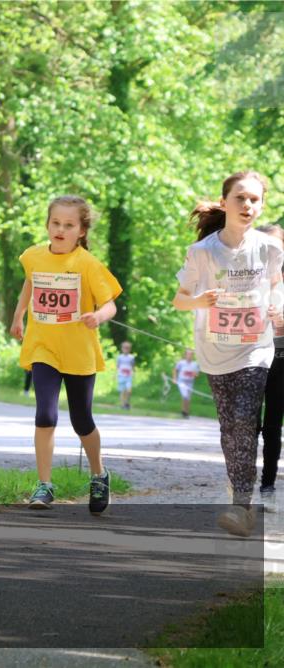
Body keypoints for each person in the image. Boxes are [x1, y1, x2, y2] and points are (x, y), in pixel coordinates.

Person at [173, 172, 283, 537]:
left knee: (242, 417)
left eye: (254, 199)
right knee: (229, 427)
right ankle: (241, 493)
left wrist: (277, 309)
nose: (248, 205)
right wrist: (199, 301)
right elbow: (179, 299)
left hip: (255, 349)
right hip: (215, 349)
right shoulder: (202, 252)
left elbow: (277, 286)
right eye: (240, 198)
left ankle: (241, 505)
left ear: (262, 205)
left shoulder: (270, 248)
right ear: (225, 203)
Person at [10, 195, 121, 514]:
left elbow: (110, 303)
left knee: (81, 419)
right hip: (43, 347)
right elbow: (29, 284)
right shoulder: (32, 256)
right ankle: (44, 485)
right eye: (55, 223)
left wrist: (98, 317)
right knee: (45, 414)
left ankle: (99, 474)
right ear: (47, 224)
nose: (60, 229)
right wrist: (18, 315)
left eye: (69, 225)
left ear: (81, 231)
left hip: (79, 351)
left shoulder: (88, 264)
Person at [257, 223, 284, 510]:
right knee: (247, 423)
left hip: (280, 358)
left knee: (273, 424)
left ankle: (268, 484)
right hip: (249, 357)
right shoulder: (246, 279)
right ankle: (242, 481)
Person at [172, 349, 201, 418]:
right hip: (182, 381)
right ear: (185, 355)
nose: (189, 356)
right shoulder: (181, 363)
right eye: (188, 354)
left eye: (191, 354)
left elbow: (197, 374)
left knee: (188, 397)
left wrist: (195, 375)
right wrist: (174, 378)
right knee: (184, 395)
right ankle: (183, 411)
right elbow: (175, 370)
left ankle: (186, 412)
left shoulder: (195, 364)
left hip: (190, 382)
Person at [116, 341, 135, 410]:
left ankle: (127, 402)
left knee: (128, 390)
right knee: (122, 391)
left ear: (129, 349)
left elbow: (133, 366)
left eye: (127, 348)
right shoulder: (119, 357)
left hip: (128, 376)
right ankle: (122, 404)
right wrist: (115, 374)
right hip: (121, 375)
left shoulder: (131, 357)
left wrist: (133, 373)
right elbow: (117, 366)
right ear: (122, 348)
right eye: (124, 348)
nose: (126, 349)